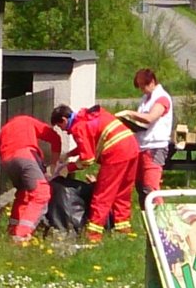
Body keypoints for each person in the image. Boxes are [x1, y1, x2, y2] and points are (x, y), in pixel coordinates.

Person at [51, 104, 139, 243]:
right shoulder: (86, 117)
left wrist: (68, 168)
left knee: (103, 194)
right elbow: (90, 141)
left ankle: (93, 235)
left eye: (59, 126)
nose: (63, 131)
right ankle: (124, 230)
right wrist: (68, 154)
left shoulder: (78, 127)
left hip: (116, 153)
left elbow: (88, 159)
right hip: (131, 146)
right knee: (123, 192)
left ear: (63, 120)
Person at [0, 114, 62, 244]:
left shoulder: (4, 130)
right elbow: (55, 138)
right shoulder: (26, 120)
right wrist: (54, 165)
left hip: (7, 161)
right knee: (41, 193)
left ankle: (13, 230)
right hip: (25, 156)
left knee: (23, 194)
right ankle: (22, 235)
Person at [119, 68, 174, 207]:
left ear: (152, 82)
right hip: (142, 146)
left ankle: (161, 219)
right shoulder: (145, 99)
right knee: (141, 186)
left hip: (155, 147)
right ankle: (147, 217)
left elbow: (150, 118)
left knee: (151, 187)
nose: (142, 89)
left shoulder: (162, 98)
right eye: (140, 86)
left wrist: (129, 113)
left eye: (144, 85)